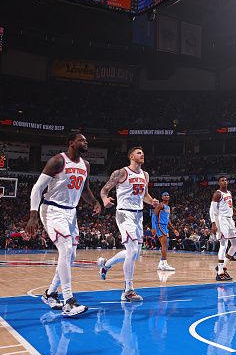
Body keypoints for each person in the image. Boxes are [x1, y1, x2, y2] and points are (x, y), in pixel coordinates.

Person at [26, 132, 100, 317]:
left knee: (71, 255)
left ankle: (50, 293)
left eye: (86, 139)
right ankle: (68, 301)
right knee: (66, 250)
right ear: (71, 143)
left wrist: (95, 202)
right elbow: (37, 188)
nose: (86, 141)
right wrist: (33, 215)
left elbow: (84, 189)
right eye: (81, 139)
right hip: (52, 209)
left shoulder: (86, 165)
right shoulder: (58, 161)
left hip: (71, 212)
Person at [97, 147, 159, 301]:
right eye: (139, 153)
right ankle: (128, 290)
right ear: (131, 156)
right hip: (124, 213)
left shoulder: (145, 175)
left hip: (138, 215)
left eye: (143, 153)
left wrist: (152, 201)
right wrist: (105, 199)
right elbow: (104, 190)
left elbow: (144, 195)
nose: (142, 154)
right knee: (131, 251)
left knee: (135, 254)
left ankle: (106, 265)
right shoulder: (121, 172)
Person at [209, 176, 236, 281]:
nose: (224, 182)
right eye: (222, 180)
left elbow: (231, 207)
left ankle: (222, 266)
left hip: (230, 219)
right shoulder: (217, 194)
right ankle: (220, 272)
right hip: (221, 220)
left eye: (226, 180)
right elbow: (211, 210)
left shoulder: (229, 193)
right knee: (224, 245)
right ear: (219, 182)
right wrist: (213, 223)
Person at [153, 192, 179, 271]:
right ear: (162, 197)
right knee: (164, 245)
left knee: (165, 245)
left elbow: (168, 220)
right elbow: (154, 215)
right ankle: (164, 264)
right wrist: (153, 227)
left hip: (165, 226)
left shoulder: (168, 207)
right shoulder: (160, 205)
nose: (166, 196)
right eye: (165, 195)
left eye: (168, 195)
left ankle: (161, 263)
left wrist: (173, 229)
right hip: (160, 225)